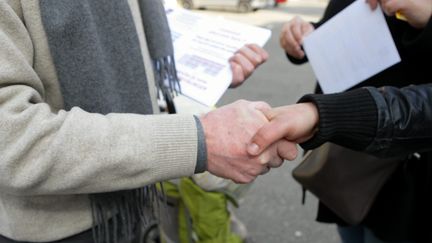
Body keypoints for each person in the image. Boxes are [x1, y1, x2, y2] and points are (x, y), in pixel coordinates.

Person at [0, 1, 297, 243]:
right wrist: (198, 141)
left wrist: (209, 67)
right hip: (57, 229)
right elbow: (12, 141)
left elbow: (124, 56)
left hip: (138, 201)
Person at [276, 0, 431, 241]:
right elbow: (344, 25)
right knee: (349, 228)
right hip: (342, 149)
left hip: (403, 163)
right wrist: (305, 36)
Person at [248, 83, 432, 242]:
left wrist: (323, 114)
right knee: (347, 223)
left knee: (387, 231)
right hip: (345, 139)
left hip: (409, 168)